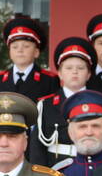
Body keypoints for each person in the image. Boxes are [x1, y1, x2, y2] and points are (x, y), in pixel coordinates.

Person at [32, 37, 95, 167]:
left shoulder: (100, 104)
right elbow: (37, 148)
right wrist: (40, 175)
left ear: (89, 74)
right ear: (60, 73)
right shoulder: (45, 105)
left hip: (91, 167)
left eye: (80, 68)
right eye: (69, 68)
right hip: (55, 167)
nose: (75, 72)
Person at [0, 14, 59, 101]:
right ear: (10, 52)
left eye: (26, 46)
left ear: (36, 52)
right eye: (15, 47)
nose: (20, 50)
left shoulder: (49, 81)